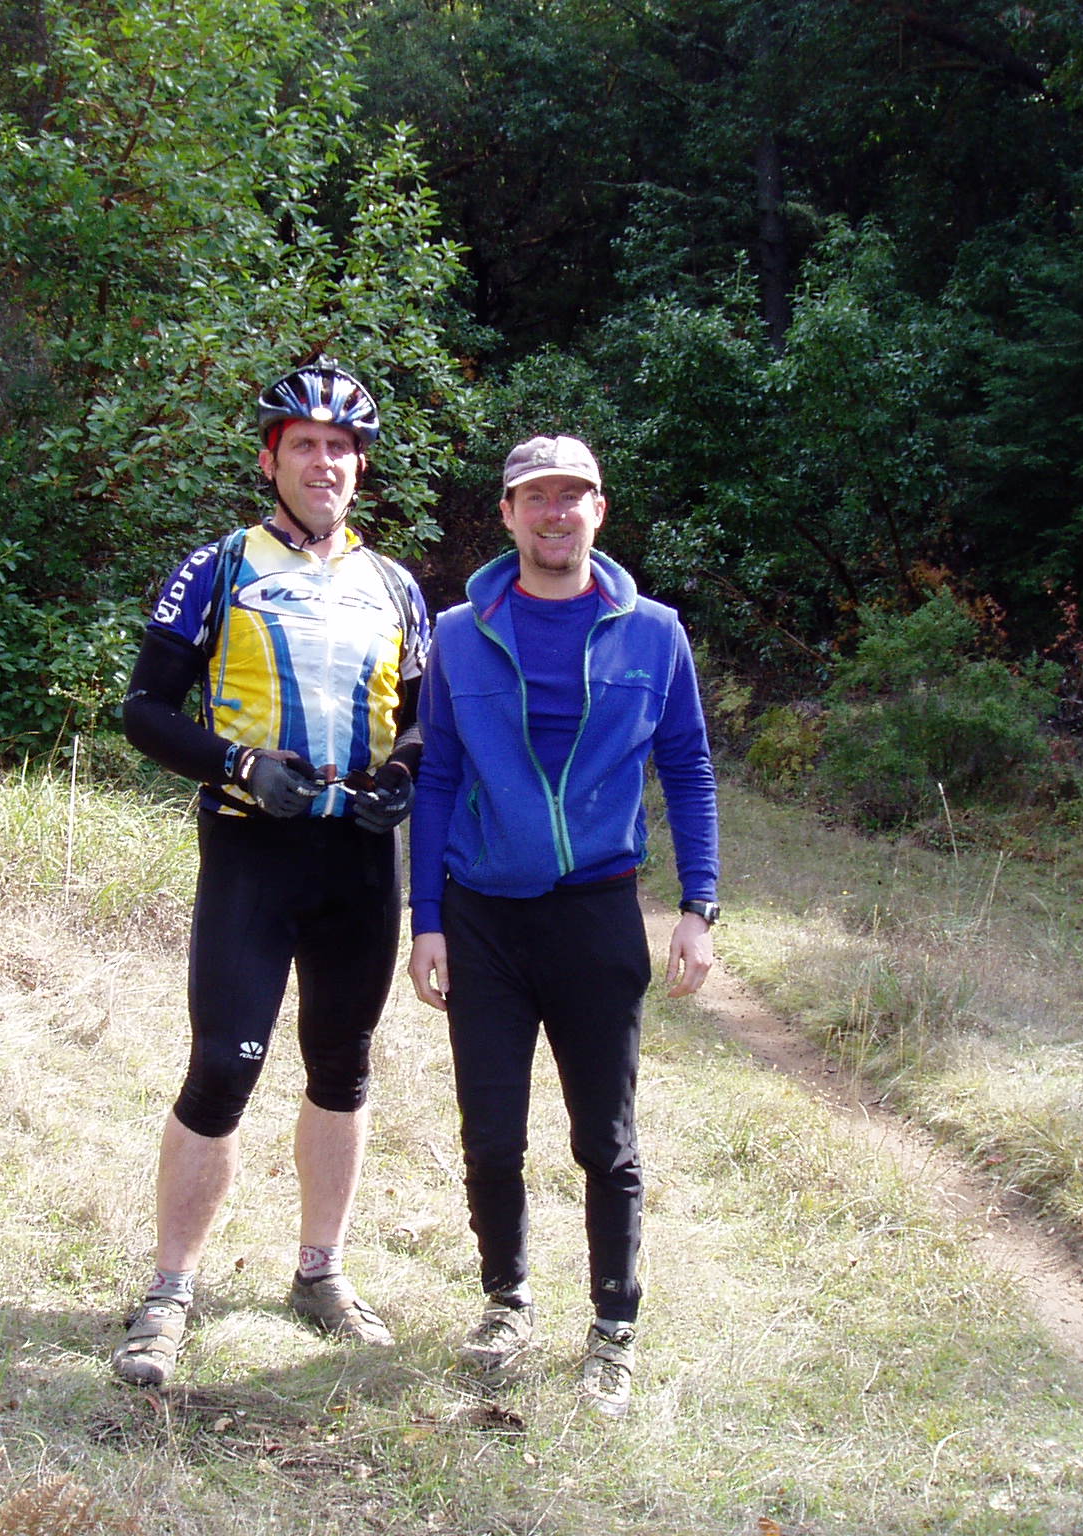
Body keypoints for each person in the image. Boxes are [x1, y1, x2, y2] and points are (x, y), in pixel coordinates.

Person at [112, 358, 429, 1388]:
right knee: (225, 1065)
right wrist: (239, 765)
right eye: (305, 445)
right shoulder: (218, 566)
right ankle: (168, 1292)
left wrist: (404, 779)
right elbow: (144, 711)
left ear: (359, 468)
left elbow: (423, 720)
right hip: (252, 849)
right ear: (270, 459)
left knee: (342, 1066)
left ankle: (319, 1274)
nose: (324, 462)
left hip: (355, 862)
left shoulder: (394, 586)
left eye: (341, 448)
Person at [406, 433, 719, 1417]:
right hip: (483, 916)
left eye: (569, 496)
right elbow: (439, 776)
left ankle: (612, 1327)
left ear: (598, 510)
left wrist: (697, 907)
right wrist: (426, 921)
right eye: (531, 497)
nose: (552, 514)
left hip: (593, 912)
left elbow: (688, 770)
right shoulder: (458, 633)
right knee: (491, 1135)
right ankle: (505, 1301)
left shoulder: (653, 632)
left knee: (604, 1139)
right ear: (505, 514)